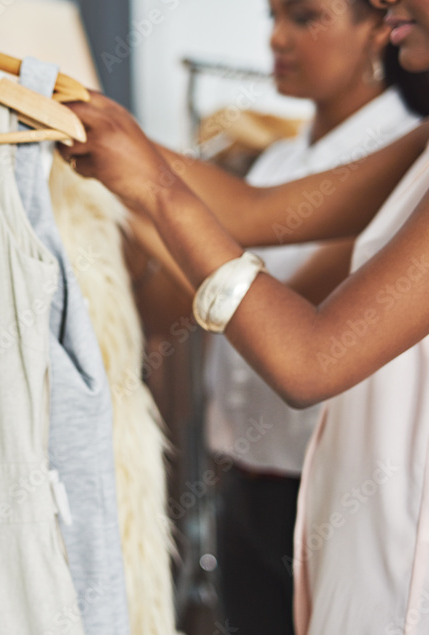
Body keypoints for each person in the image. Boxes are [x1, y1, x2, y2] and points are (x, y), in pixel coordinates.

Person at [59, 0, 429, 631]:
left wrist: (154, 191)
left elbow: (309, 358)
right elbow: (255, 210)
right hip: (353, 521)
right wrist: (94, 122)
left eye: (304, 17)